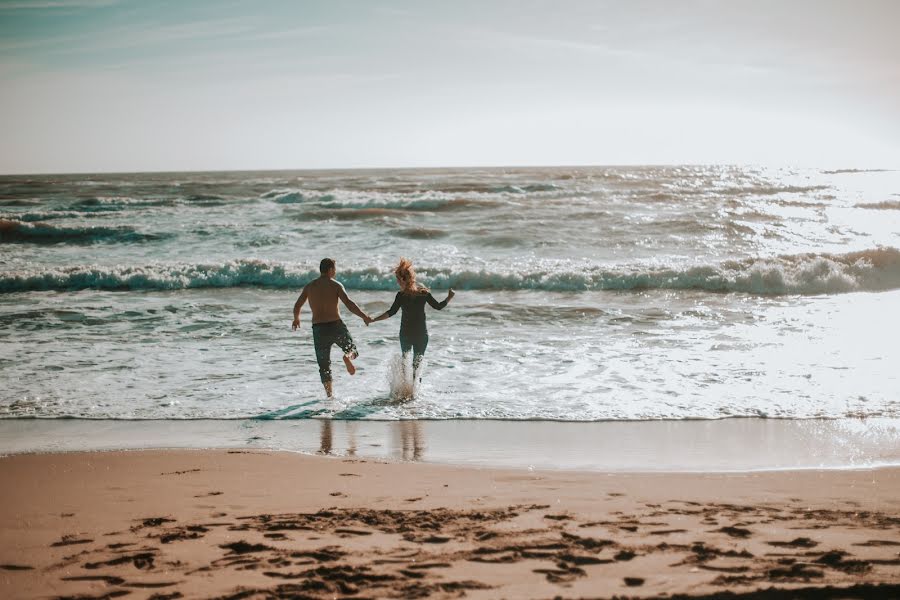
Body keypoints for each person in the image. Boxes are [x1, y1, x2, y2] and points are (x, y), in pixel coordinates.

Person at [292, 258, 372, 397]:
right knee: (352, 350)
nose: (335, 271)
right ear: (330, 270)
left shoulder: (310, 286)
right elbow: (349, 303)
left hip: (318, 329)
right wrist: (364, 316)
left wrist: (296, 318)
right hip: (336, 326)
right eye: (334, 269)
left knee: (324, 366)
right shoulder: (335, 285)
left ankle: (330, 396)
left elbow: (297, 305)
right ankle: (347, 357)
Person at [371, 258, 454, 382]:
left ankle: (407, 394)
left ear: (403, 279)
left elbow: (391, 312)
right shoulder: (423, 293)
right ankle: (414, 395)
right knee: (416, 366)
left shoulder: (402, 295)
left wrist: (373, 320)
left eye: (398, 280)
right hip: (420, 334)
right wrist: (449, 297)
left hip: (406, 334)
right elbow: (438, 306)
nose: (398, 283)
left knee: (406, 364)